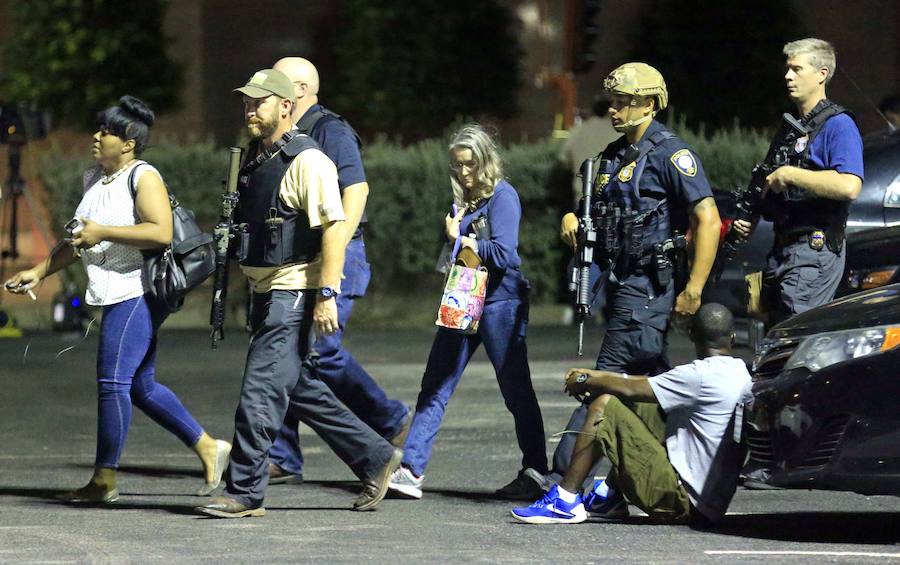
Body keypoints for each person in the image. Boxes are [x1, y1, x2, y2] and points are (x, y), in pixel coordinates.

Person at [5, 95, 231, 503]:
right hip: (114, 292)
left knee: (112, 382)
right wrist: (39, 270)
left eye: (106, 132)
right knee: (141, 387)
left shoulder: (143, 176)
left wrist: (104, 232)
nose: (97, 136)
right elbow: (79, 239)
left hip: (136, 290)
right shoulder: (96, 178)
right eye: (99, 129)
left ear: (128, 143)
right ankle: (208, 446)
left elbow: (160, 231)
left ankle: (104, 478)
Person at [196, 69, 401, 518]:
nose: (250, 110)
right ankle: (375, 456)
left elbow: (334, 230)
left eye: (259, 102)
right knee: (298, 389)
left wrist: (326, 293)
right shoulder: (257, 159)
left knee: (259, 393)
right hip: (266, 291)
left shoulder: (309, 161)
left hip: (293, 292)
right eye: (247, 103)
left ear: (286, 106)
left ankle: (245, 491)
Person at [554, 62, 722, 481]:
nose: (613, 109)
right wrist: (571, 219)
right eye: (612, 101)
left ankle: (563, 480)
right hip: (623, 283)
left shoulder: (671, 154)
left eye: (623, 102)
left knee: (603, 380)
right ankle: (671, 467)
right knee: (652, 384)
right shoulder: (613, 155)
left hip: (648, 286)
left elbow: (708, 218)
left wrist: (694, 288)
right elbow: (593, 211)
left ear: (648, 104)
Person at [264, 57, 411, 486]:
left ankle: (390, 419)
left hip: (339, 255)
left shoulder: (330, 129)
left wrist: (336, 247)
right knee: (288, 352)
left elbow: (357, 190)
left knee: (318, 352)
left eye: (276, 82)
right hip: (299, 259)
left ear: (300, 90)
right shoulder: (284, 133)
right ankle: (284, 455)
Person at [387, 124, 548, 500]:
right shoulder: (462, 201)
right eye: (457, 165)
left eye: (470, 164)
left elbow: (505, 254)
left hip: (500, 302)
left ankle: (537, 473)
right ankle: (411, 470)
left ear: (486, 160)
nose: (463, 172)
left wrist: (460, 238)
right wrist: (455, 243)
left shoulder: (504, 196)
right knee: (435, 383)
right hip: (463, 295)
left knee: (516, 390)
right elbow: (459, 254)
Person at [512, 303, 753, 526]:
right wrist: (595, 379)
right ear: (733, 337)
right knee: (646, 404)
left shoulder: (698, 375)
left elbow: (629, 386)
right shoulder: (741, 372)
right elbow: (638, 387)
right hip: (709, 503)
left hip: (682, 502)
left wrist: (586, 379)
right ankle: (608, 497)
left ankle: (565, 500)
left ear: (691, 334)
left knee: (605, 406)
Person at [732, 39, 864, 325]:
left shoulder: (838, 124)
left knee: (796, 335)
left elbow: (850, 185)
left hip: (812, 251)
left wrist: (791, 174)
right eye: (787, 69)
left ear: (821, 74)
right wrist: (752, 214)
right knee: (776, 334)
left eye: (797, 69)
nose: (788, 76)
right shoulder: (792, 126)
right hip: (783, 249)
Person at [557, 96, 621, 208]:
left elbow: (563, 159)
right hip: (612, 197)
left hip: (582, 196)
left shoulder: (578, 131)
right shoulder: (618, 132)